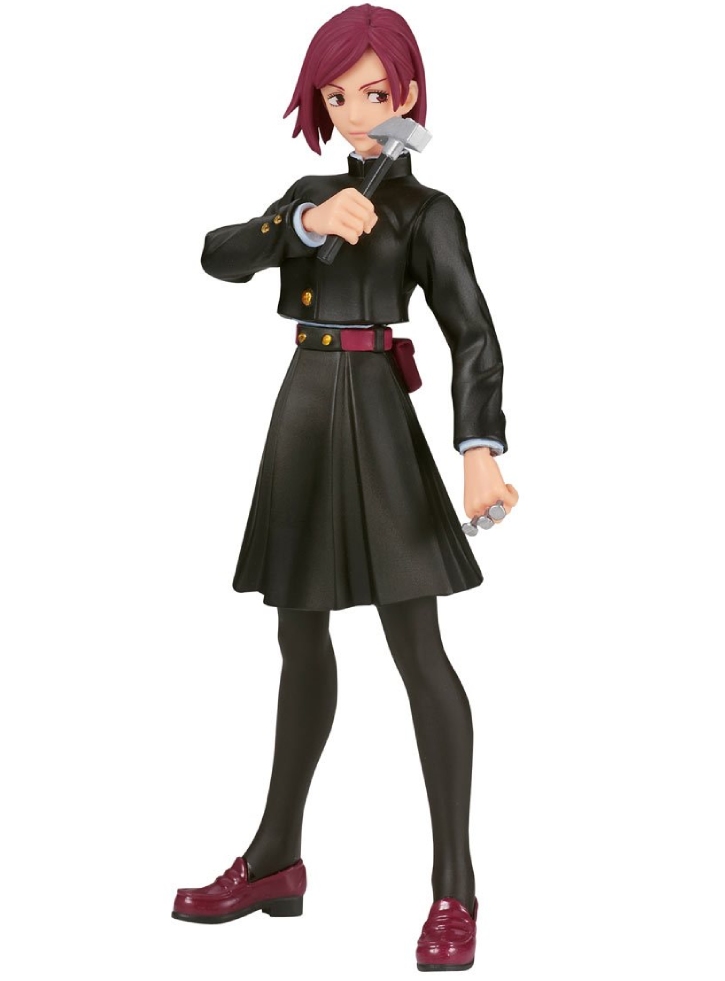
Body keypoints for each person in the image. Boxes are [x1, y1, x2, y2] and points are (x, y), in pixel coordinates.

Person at [172, 4, 519, 971]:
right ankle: (274, 859)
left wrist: (479, 448)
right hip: (304, 409)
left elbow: (471, 331)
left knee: (417, 646)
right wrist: (304, 221)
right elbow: (218, 254)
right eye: (335, 96)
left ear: (408, 93)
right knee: (298, 635)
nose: (355, 113)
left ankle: (455, 887)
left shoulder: (425, 210)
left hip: (375, 410)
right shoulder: (311, 194)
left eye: (371, 93)